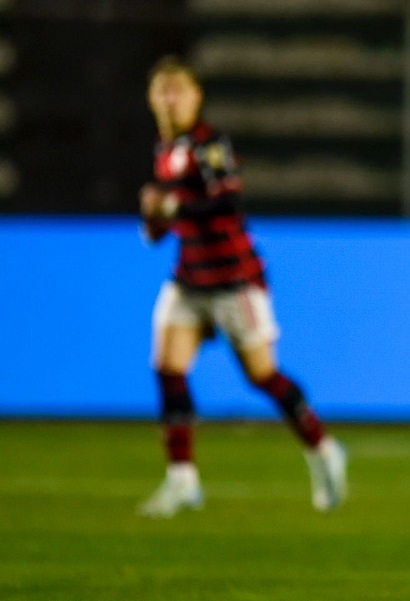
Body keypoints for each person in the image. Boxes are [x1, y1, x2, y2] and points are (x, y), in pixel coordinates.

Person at [137, 56, 347, 518]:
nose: (170, 99)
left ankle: (323, 448)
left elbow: (224, 203)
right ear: (152, 100)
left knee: (262, 376)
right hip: (190, 277)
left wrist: (168, 209)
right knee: (168, 366)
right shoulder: (164, 150)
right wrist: (155, 221)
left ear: (197, 96)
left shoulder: (211, 146)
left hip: (234, 279)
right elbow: (174, 216)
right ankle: (182, 478)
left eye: (179, 90)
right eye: (162, 91)